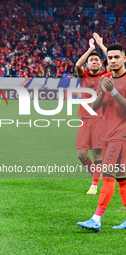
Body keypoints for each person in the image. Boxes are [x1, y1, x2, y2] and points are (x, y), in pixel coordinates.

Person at [77, 44, 126, 231]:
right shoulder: (105, 79)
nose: (113, 60)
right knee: (122, 178)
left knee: (108, 176)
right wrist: (104, 91)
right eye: (110, 58)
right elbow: (95, 107)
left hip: (121, 135)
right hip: (106, 133)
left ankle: (96, 219)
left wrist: (113, 90)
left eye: (116, 57)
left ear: (124, 59)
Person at [75, 34, 108, 195]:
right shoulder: (84, 76)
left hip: (100, 119)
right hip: (85, 118)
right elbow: (77, 65)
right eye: (91, 60)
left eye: (96, 60)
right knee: (81, 154)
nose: (94, 62)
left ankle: (94, 184)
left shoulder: (105, 75)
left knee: (97, 152)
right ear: (88, 64)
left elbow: (115, 63)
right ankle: (98, 175)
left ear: (101, 64)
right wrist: (91, 49)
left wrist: (101, 45)